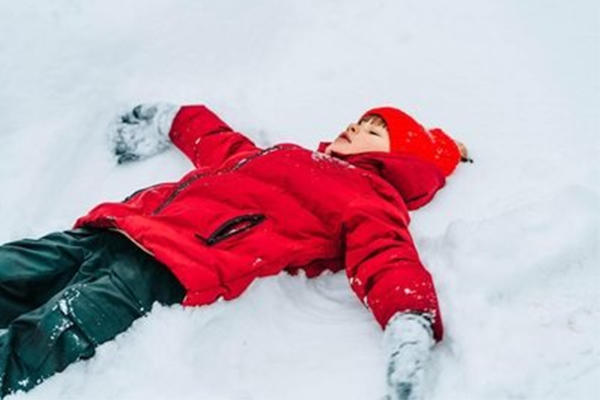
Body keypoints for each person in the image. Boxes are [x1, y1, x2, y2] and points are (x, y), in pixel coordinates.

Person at [0, 103, 469, 400]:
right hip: (113, 230)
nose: (355, 126)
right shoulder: (284, 155)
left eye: (373, 129)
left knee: (45, 335)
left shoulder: (370, 199)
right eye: (361, 119)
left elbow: (387, 257)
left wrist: (410, 319)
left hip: (167, 269)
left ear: (398, 157)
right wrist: (171, 118)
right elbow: (220, 142)